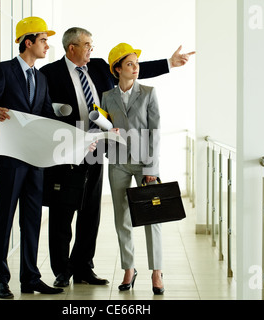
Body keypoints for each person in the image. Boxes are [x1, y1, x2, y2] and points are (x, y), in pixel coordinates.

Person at [40, 27, 195, 288]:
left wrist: (169, 63)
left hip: (99, 151)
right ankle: (62, 269)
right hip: (68, 151)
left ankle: (83, 267)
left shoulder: (99, 67)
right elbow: (43, 109)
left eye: (92, 45)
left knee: (91, 212)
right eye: (87, 45)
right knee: (63, 212)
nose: (91, 49)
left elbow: (132, 68)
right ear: (72, 48)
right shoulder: (50, 73)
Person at [0, 16, 63, 299]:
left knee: (32, 218)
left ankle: (31, 278)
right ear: (28, 42)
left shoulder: (41, 78)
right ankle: (1, 279)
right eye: (43, 40)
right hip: (10, 157)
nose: (47, 46)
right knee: (4, 217)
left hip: (35, 159)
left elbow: (47, 116)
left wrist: (75, 139)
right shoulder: (2, 70)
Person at [102, 43, 163, 294]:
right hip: (117, 163)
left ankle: (157, 271)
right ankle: (129, 268)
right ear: (117, 69)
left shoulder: (148, 92)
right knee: (122, 217)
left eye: (136, 63)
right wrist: (106, 132)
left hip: (144, 163)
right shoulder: (107, 96)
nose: (136, 68)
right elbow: (103, 127)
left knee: (152, 217)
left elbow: (155, 131)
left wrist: (152, 166)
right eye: (130, 64)